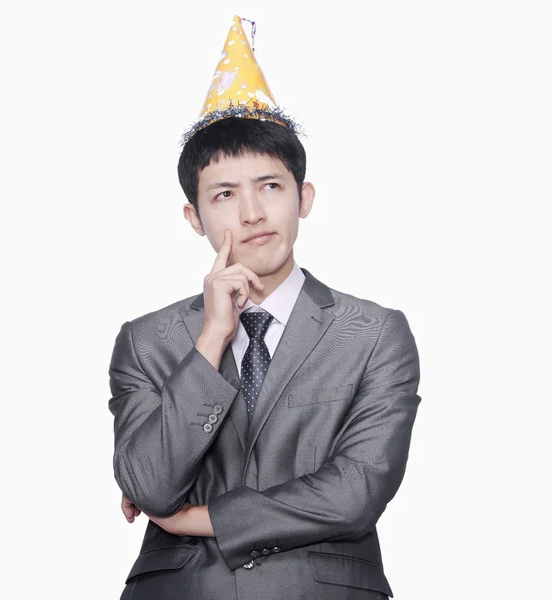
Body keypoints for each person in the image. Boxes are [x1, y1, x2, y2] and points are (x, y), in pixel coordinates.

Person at [108, 14, 421, 600]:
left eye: (270, 186)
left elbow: (356, 490)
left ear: (303, 198)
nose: (252, 212)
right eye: (225, 195)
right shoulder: (147, 340)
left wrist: (200, 518)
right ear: (194, 218)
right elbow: (149, 483)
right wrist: (211, 339)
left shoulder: (374, 333)